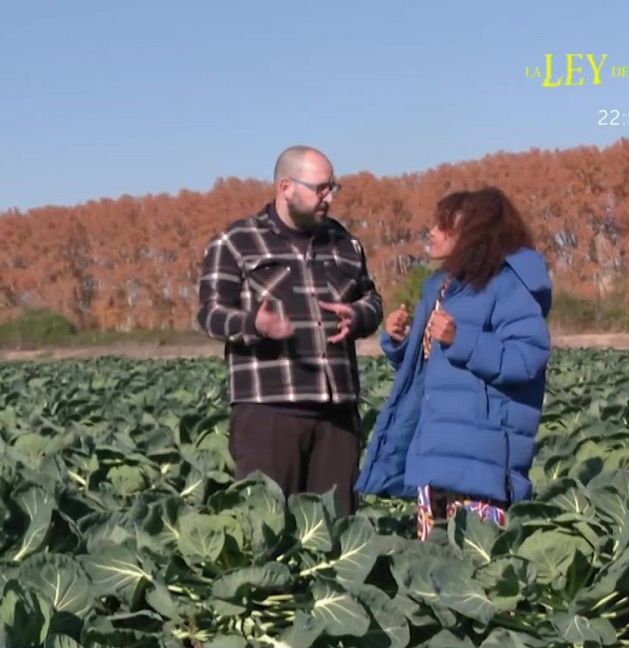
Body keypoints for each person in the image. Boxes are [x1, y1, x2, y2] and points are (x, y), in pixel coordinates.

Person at [196, 145, 385, 516]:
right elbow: (209, 314)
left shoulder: (345, 244)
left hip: (337, 413)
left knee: (334, 529)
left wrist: (358, 315)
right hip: (269, 412)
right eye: (320, 189)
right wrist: (254, 324)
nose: (328, 198)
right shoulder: (236, 242)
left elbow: (372, 300)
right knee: (268, 529)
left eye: (332, 188)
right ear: (286, 187)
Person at [355, 187, 553, 538]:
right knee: (436, 568)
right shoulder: (442, 286)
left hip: (480, 458)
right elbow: (435, 370)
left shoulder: (508, 286)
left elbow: (526, 360)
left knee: (480, 563)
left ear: (474, 232)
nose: (431, 232)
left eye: (443, 225)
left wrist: (461, 339)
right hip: (435, 450)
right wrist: (401, 341)